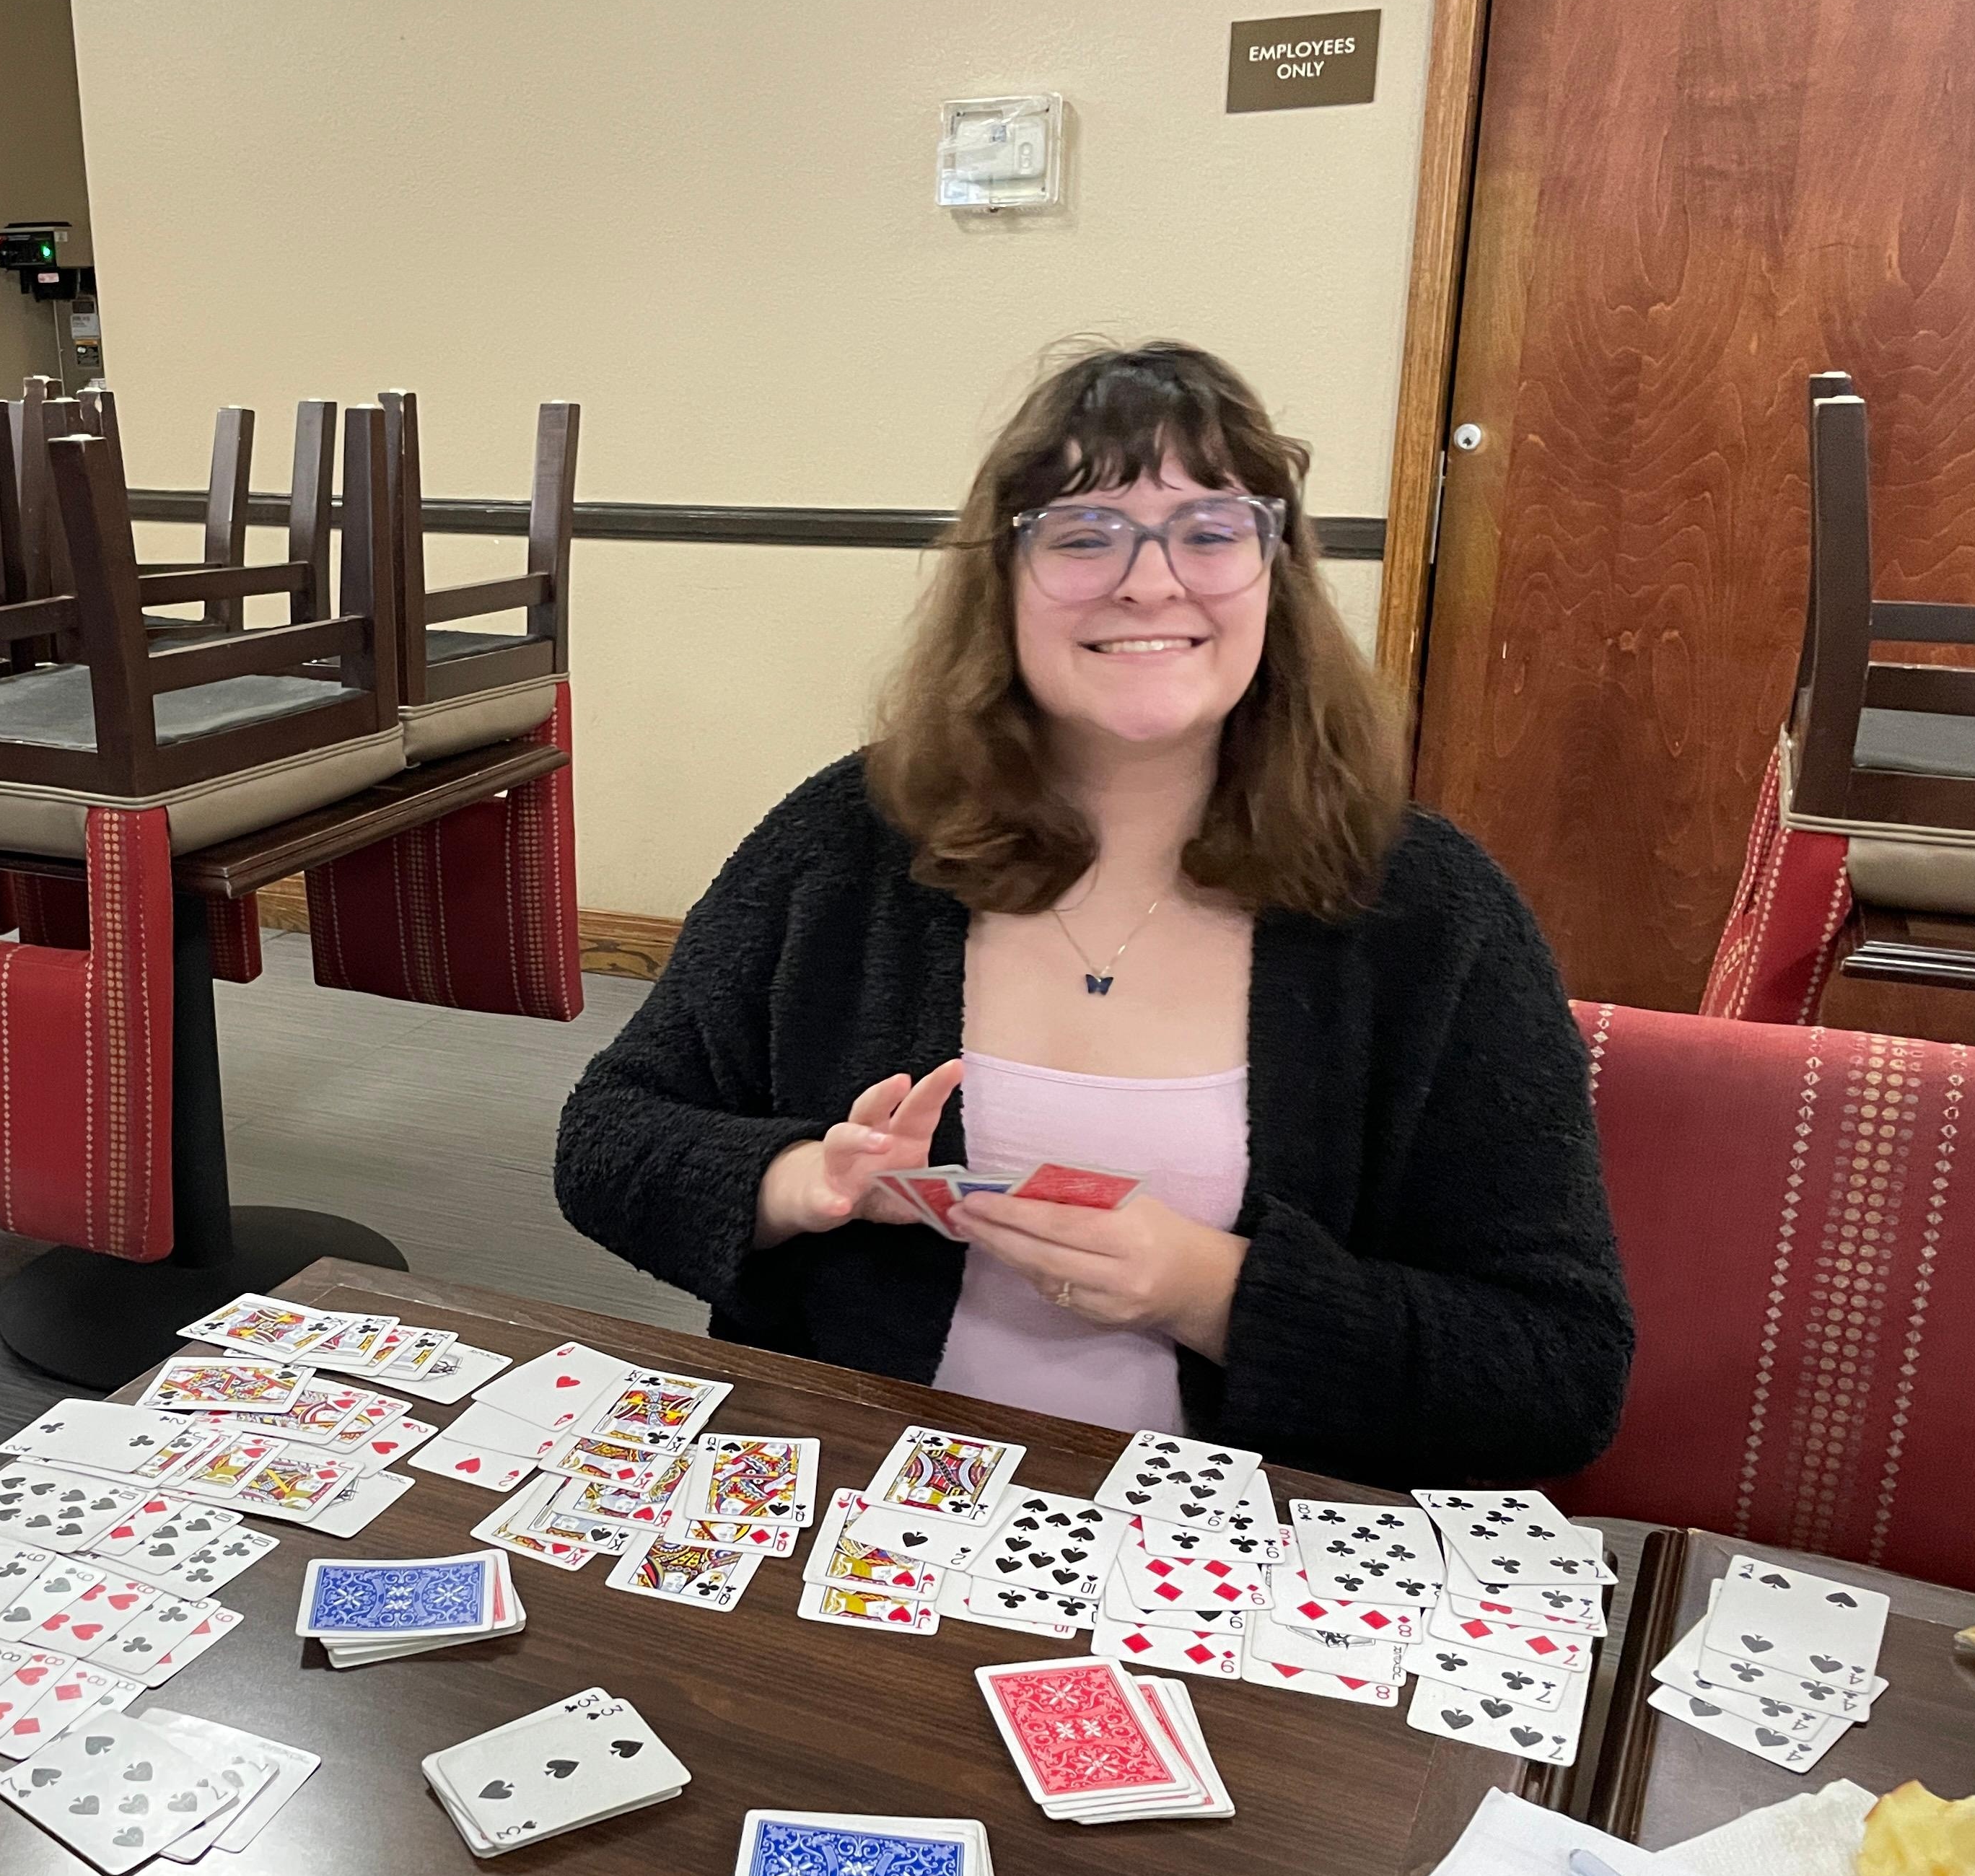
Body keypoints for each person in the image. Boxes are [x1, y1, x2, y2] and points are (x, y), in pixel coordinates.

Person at [554, 341, 1632, 1489]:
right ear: (1003, 586)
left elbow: (1557, 1373)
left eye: (1210, 531)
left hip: (1244, 1553)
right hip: (856, 1502)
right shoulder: (852, 836)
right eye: (1083, 535)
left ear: (1276, 572)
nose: (1150, 582)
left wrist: (1209, 1290)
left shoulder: (1430, 907)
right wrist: (808, 1182)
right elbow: (608, 1140)